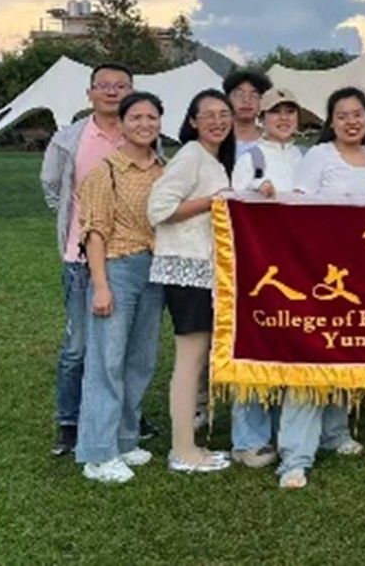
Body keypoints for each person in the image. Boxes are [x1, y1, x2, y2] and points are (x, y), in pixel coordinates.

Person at [278, 88, 365, 488]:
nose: (351, 122)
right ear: (331, 121)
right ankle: (295, 456)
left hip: (363, 274)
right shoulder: (319, 156)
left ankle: (335, 432)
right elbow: (297, 209)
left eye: (357, 114)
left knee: (345, 350)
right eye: (342, 115)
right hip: (319, 271)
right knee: (311, 356)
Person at [40, 62, 134, 457]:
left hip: (127, 255)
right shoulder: (69, 139)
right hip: (78, 258)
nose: (112, 92)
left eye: (120, 86)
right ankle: (69, 421)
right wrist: (78, 224)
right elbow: (52, 187)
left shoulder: (140, 134)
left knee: (122, 343)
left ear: (131, 92)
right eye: (104, 86)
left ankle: (125, 417)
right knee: (77, 345)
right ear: (90, 93)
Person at [73, 91, 166, 483]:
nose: (145, 124)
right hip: (117, 268)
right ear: (123, 124)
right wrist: (101, 286)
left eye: (151, 117)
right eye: (136, 118)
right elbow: (94, 232)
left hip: (155, 269)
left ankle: (126, 438)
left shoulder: (163, 169)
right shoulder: (106, 172)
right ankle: (98, 453)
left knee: (141, 360)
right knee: (106, 362)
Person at [146, 88, 236, 474]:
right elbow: (158, 208)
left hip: (207, 271)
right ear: (193, 121)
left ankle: (189, 445)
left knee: (197, 361)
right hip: (188, 270)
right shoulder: (191, 155)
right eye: (209, 114)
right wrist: (214, 202)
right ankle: (182, 450)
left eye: (224, 114)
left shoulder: (213, 159)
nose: (218, 121)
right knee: (189, 361)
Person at [227, 87, 305, 469]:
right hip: (259, 266)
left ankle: (280, 430)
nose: (284, 118)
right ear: (263, 117)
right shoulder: (251, 157)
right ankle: (248, 438)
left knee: (286, 344)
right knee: (255, 343)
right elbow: (234, 202)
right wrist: (257, 189)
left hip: (295, 264)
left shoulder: (301, 156)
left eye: (290, 112)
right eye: (277, 112)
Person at [223, 69, 273, 158]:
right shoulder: (215, 139)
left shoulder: (272, 142)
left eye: (254, 95)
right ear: (227, 99)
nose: (246, 100)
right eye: (239, 94)